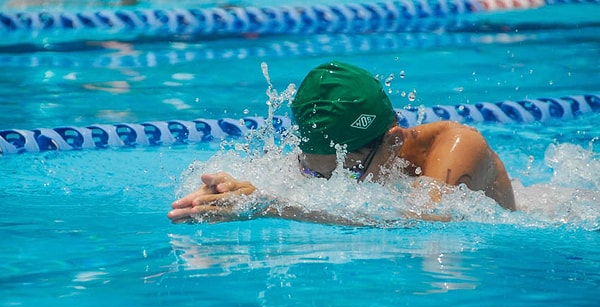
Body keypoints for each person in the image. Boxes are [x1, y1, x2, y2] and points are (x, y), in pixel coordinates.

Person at [168, 61, 516, 224]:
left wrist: (275, 207)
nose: (333, 185)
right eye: (312, 172)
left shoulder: (458, 148)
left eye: (348, 173)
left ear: (392, 144)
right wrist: (244, 192)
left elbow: (427, 222)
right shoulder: (335, 157)